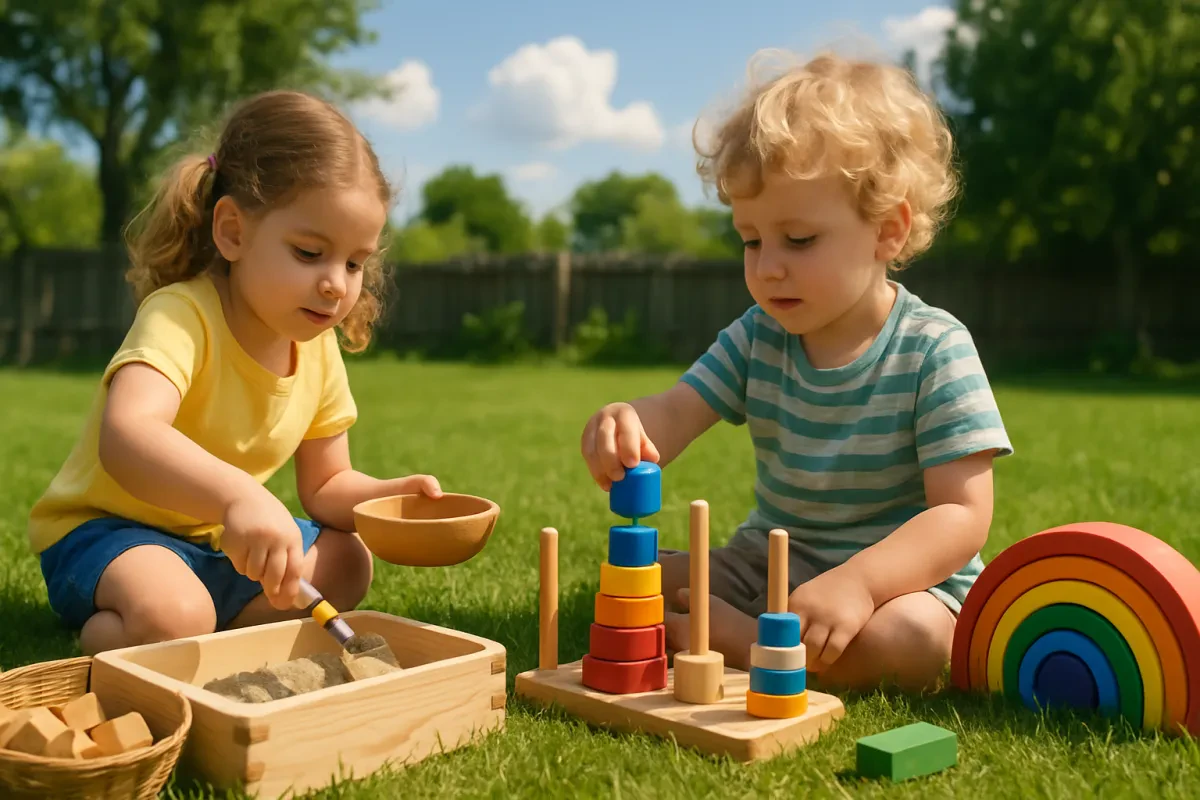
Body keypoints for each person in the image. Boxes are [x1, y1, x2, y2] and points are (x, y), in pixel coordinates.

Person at [579, 51, 1013, 691]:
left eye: (799, 240)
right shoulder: (759, 338)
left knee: (916, 643)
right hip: (772, 563)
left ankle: (738, 639)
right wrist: (627, 423)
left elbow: (962, 516)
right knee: (643, 579)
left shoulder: (933, 349)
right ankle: (752, 626)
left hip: (899, 582)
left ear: (886, 232)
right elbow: (676, 411)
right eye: (751, 239)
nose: (768, 266)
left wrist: (860, 584)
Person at [28, 90, 443, 656]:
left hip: (220, 539)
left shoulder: (315, 346)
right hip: (110, 534)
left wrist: (389, 500)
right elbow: (128, 435)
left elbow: (325, 486)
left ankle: (210, 633)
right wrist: (235, 497)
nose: (336, 284)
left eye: (353, 262)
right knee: (175, 610)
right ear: (233, 232)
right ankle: (126, 631)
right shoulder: (183, 314)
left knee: (347, 561)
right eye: (308, 252)